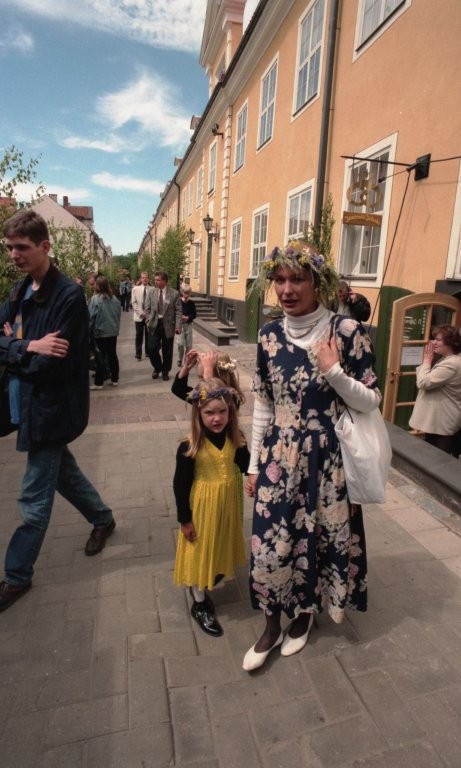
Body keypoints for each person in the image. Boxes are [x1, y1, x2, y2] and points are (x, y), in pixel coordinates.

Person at [242, 241, 380, 671]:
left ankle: (303, 616)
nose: (287, 289)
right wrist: (253, 465)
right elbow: (263, 404)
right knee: (269, 546)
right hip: (278, 458)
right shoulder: (268, 335)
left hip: (328, 461)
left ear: (317, 282)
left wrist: (334, 371)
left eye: (297, 279)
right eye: (279, 279)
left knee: (317, 541)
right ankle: (270, 626)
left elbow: (371, 400)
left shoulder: (347, 332)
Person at [0, 209, 116, 612]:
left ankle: (17, 575)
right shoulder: (18, 290)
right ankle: (103, 518)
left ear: (45, 246)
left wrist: (13, 350)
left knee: (33, 499)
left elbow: (56, 365)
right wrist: (29, 346)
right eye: (9, 247)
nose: (14, 255)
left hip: (51, 411)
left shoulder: (68, 297)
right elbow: (18, 348)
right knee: (64, 474)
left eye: (22, 247)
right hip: (25, 405)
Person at [173, 377, 249, 636]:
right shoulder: (190, 445)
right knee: (199, 551)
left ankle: (210, 575)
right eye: (209, 413)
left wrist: (255, 476)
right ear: (198, 413)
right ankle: (199, 602)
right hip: (202, 508)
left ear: (230, 411)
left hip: (226, 506)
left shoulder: (235, 438)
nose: (217, 418)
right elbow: (180, 485)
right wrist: (185, 519)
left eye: (222, 412)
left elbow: (246, 464)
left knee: (217, 545)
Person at [409, 324, 461, 455]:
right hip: (438, 422)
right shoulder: (448, 359)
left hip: (442, 423)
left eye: (438, 339)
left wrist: (427, 361)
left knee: (438, 460)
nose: (433, 342)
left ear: (450, 342)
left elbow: (423, 382)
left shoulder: (452, 363)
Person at [172, 349, 246, 405]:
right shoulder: (202, 392)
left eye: (203, 377)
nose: (201, 381)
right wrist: (186, 368)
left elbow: (207, 402)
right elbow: (178, 389)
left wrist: (208, 372)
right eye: (200, 377)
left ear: (220, 377)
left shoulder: (232, 397)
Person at [146, 270, 181, 381]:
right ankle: (157, 367)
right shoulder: (151, 292)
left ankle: (165, 371)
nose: (155, 282)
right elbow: (147, 309)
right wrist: (148, 320)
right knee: (151, 349)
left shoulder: (174, 293)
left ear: (165, 281)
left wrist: (178, 326)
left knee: (167, 350)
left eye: (158, 280)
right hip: (154, 324)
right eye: (155, 280)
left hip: (168, 325)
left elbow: (178, 311)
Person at [88, 275, 122, 389]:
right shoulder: (115, 299)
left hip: (100, 332)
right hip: (112, 331)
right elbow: (118, 314)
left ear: (97, 286)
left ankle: (99, 382)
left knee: (100, 357)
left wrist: (88, 330)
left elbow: (90, 316)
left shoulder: (95, 299)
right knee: (112, 355)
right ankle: (115, 379)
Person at [131, 271, 151, 360]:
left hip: (148, 317)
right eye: (143, 278)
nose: (144, 279)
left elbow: (153, 304)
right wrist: (141, 313)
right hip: (139, 316)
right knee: (139, 335)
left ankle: (148, 352)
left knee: (148, 335)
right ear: (140, 279)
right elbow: (134, 303)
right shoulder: (135, 289)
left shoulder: (153, 289)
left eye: (146, 277)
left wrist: (147, 314)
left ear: (148, 279)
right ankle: (138, 354)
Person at [177, 284, 197, 366]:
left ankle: (186, 360)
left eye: (188, 293)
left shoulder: (191, 303)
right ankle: (179, 359)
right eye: (185, 293)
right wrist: (181, 317)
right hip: (180, 325)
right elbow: (176, 312)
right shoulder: (178, 302)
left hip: (188, 325)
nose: (186, 295)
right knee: (180, 343)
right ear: (182, 292)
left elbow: (194, 314)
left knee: (189, 345)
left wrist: (188, 317)